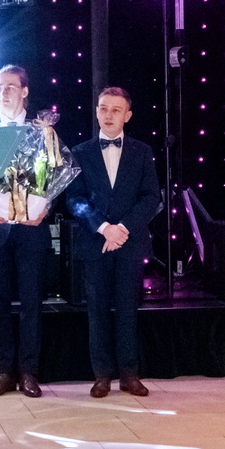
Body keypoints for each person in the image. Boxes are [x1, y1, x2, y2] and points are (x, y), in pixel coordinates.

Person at [68, 85, 160, 397]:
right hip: (95, 243)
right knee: (96, 312)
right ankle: (102, 375)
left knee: (128, 309)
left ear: (127, 116)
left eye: (116, 110)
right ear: (96, 112)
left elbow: (151, 198)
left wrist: (122, 229)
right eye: (104, 108)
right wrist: (104, 227)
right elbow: (75, 200)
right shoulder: (79, 152)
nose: (108, 115)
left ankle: (130, 374)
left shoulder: (142, 152)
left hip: (130, 244)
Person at [0, 63, 52, 398]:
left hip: (31, 229)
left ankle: (29, 372)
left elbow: (55, 178)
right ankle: (3, 371)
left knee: (32, 303)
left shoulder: (43, 131)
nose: (3, 92)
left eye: (10, 86)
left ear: (25, 91)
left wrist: (45, 207)